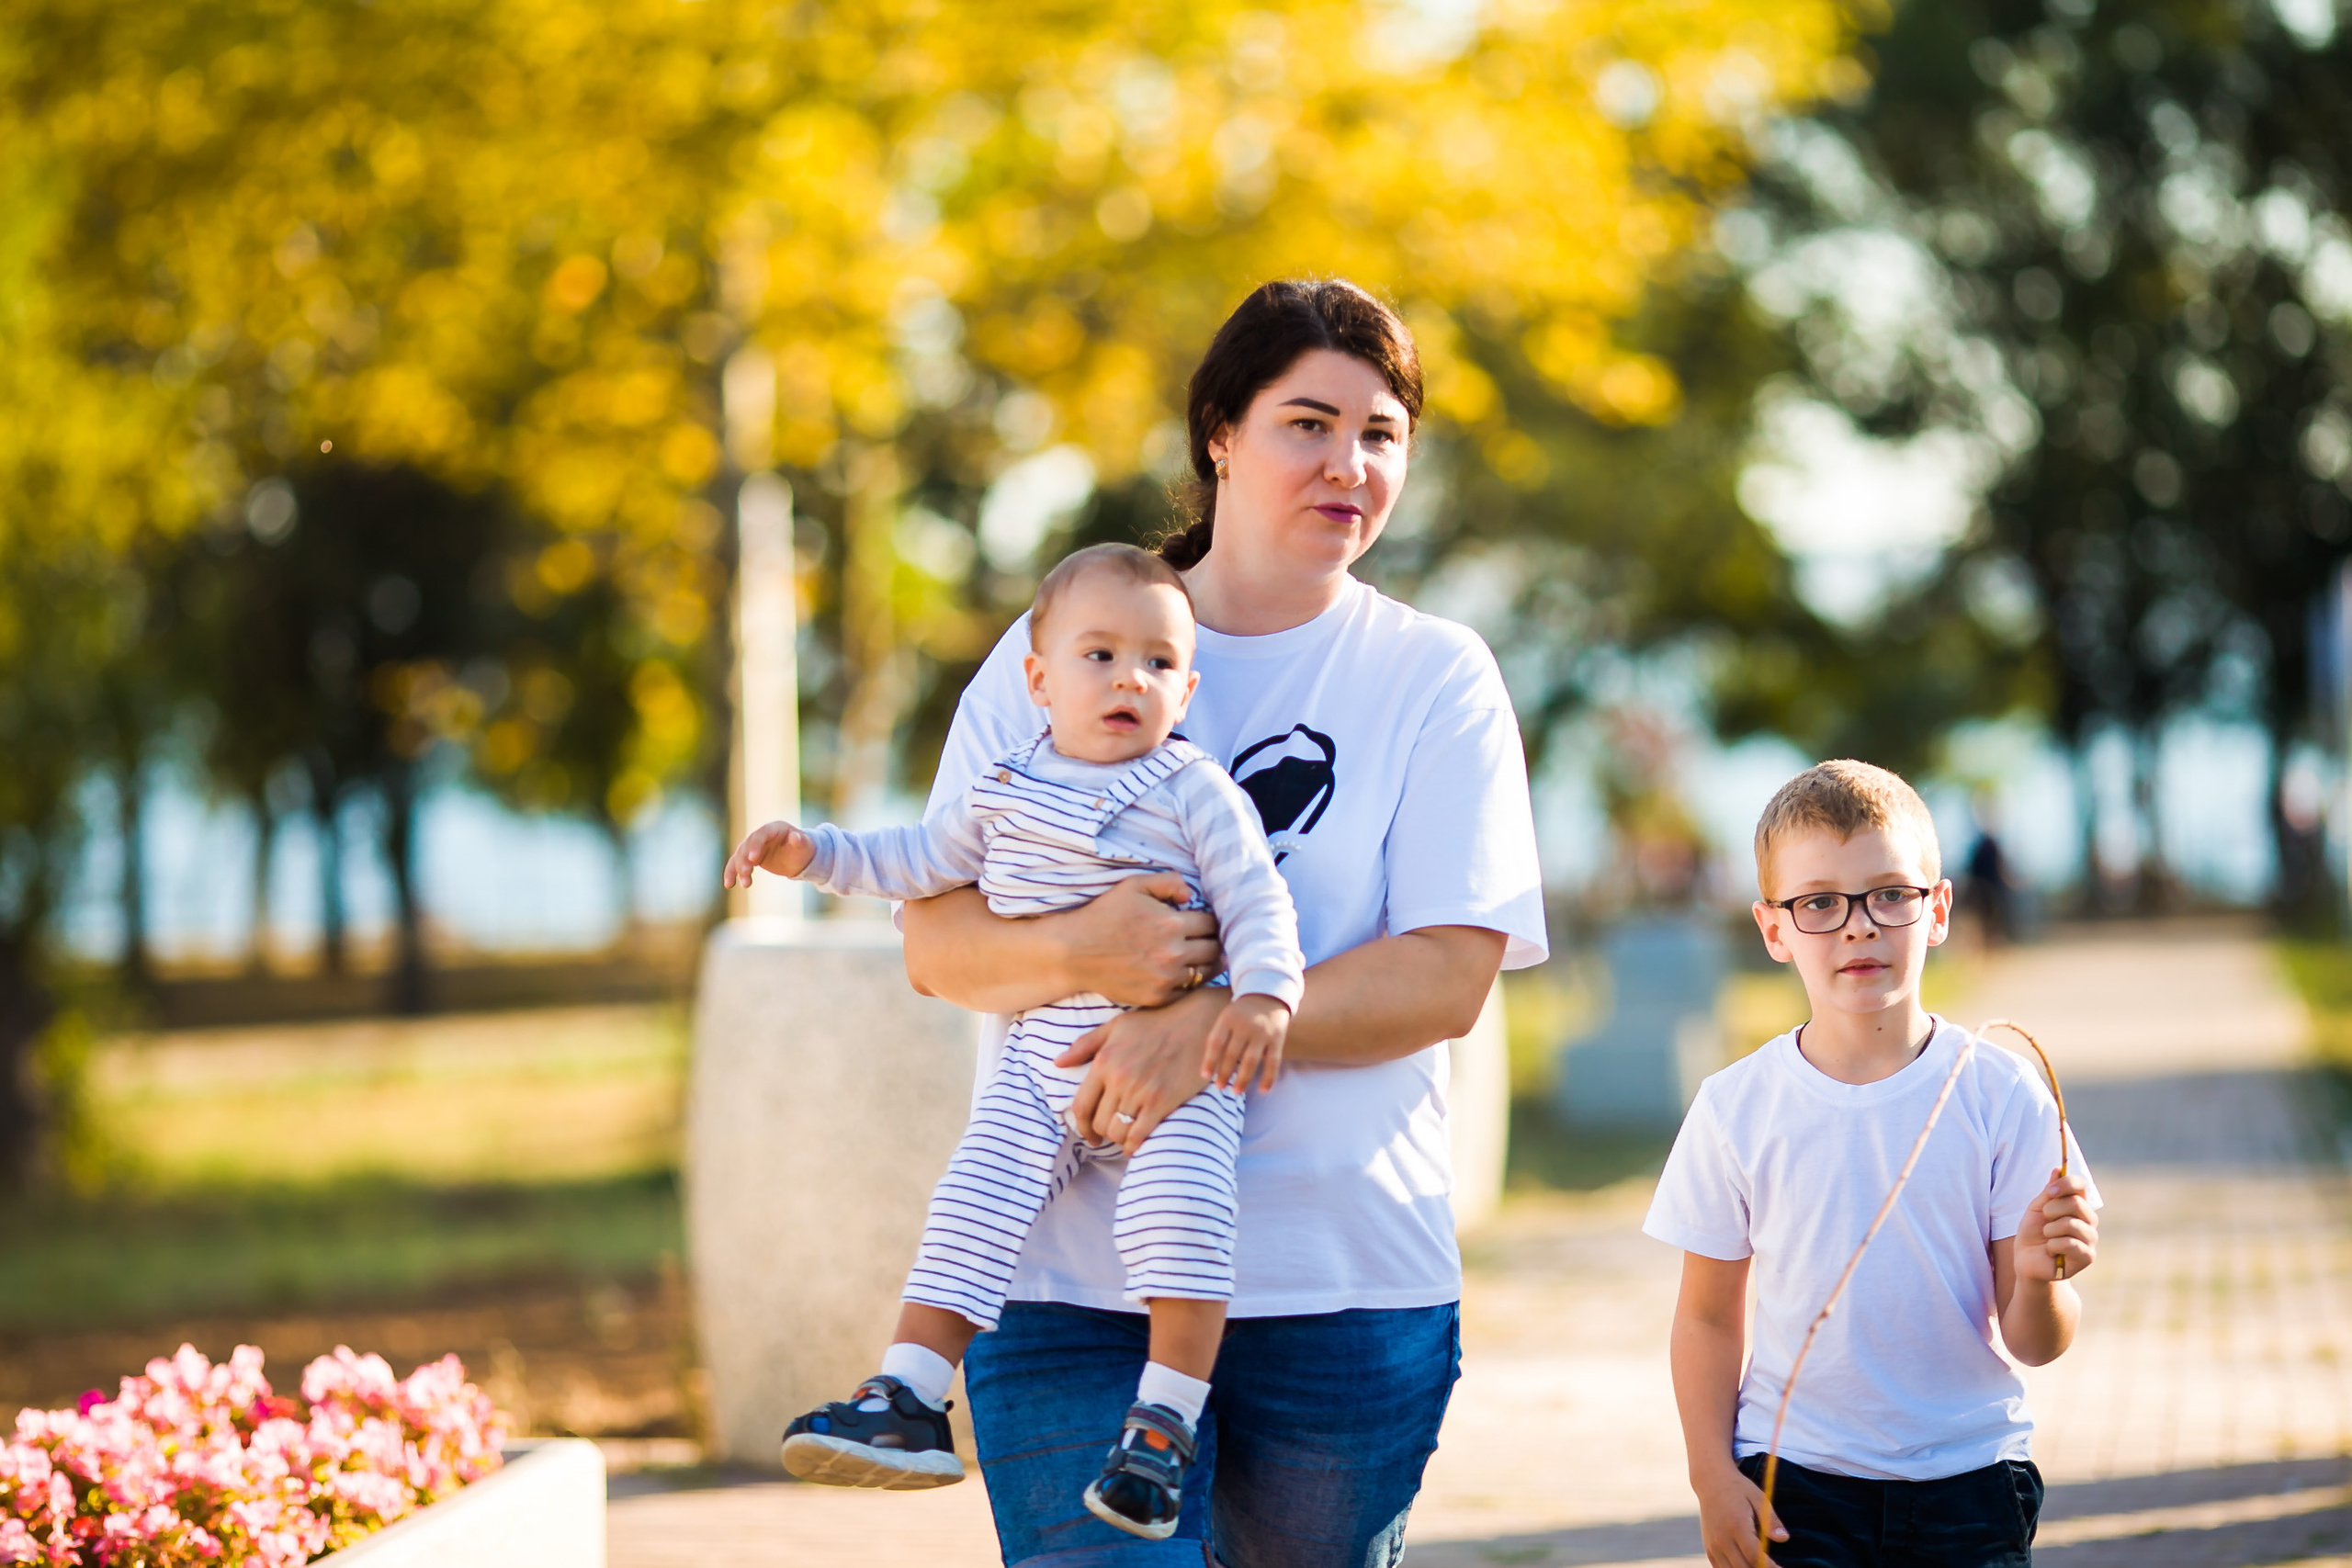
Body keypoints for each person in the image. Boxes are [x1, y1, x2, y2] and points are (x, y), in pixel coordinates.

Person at [899, 278, 1549, 1567]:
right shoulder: (1064, 641)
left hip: (1344, 1292)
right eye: (1307, 422)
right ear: (1220, 434)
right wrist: (1091, 953)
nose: (1348, 464)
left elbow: (1443, 976)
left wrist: (1201, 1027)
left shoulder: (1433, 675)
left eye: (1381, 434)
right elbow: (936, 943)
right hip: (1072, 1288)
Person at [722, 543, 1305, 1540]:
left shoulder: (1194, 789)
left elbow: (1258, 900)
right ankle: (906, 1393)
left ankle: (1161, 1429)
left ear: (1187, 687)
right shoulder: (1003, 784)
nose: (1131, 678)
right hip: (1041, 1064)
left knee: (1184, 1227)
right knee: (973, 1201)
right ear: (1037, 680)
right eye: (1100, 656)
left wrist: (1262, 1000)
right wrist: (813, 852)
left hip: (1171, 1070)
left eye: (1159, 664)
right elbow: (916, 860)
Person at [1645, 760, 2101, 1568]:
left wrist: (2040, 1278)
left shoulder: (2002, 1095)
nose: (1859, 924)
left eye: (1891, 893)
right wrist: (1711, 1475)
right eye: (1819, 901)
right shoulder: (1734, 1106)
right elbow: (1708, 1316)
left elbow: (2038, 1342)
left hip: (1971, 1482)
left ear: (1939, 910)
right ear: (1774, 929)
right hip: (1795, 1485)